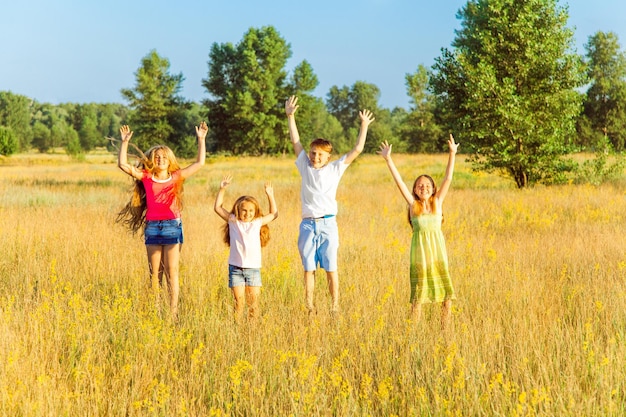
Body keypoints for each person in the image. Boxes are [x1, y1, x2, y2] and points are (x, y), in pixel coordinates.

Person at [285, 95, 375, 316]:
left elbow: (357, 150)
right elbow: (296, 142)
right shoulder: (304, 166)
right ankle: (310, 307)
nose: (315, 157)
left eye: (320, 155)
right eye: (313, 153)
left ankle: (335, 306)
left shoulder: (335, 168)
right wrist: (290, 116)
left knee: (331, 268)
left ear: (328, 157)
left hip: (327, 225)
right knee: (308, 269)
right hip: (307, 225)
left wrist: (363, 126)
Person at [116, 122, 208, 320]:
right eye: (157, 157)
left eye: (164, 157)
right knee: (155, 273)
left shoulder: (176, 176)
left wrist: (201, 139)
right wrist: (124, 143)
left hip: (172, 227)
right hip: (153, 228)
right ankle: (156, 311)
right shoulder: (147, 177)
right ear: (152, 160)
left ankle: (173, 313)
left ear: (170, 160)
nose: (160, 159)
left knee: (171, 272)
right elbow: (123, 165)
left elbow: (200, 163)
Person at [378, 135, 459, 329]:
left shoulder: (437, 203)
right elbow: (399, 183)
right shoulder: (412, 205)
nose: (424, 188)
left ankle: (445, 331)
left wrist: (452, 153)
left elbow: (448, 178)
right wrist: (389, 160)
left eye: (428, 186)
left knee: (446, 297)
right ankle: (413, 333)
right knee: (418, 299)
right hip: (419, 256)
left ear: (433, 190)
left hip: (438, 254)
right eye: (420, 186)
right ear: (415, 189)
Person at [214, 175, 278, 323]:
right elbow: (217, 208)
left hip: (253, 269)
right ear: (238, 210)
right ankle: (237, 331)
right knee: (239, 304)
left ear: (255, 212)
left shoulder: (257, 222)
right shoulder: (233, 221)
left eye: (250, 211)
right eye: (244, 210)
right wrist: (222, 189)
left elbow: (274, 214)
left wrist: (270, 195)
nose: (247, 214)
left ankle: (252, 332)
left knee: (253, 305)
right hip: (235, 269)